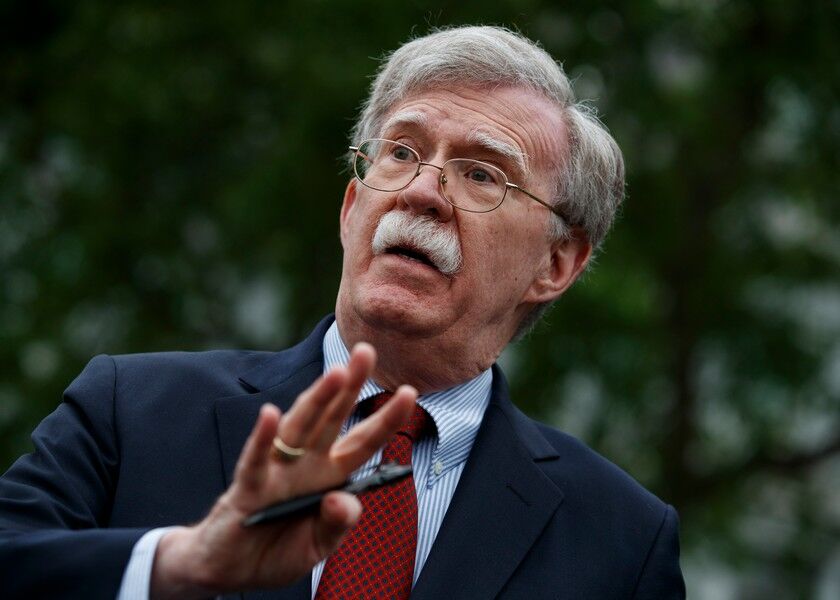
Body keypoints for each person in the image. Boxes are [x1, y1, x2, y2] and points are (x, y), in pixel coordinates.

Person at [0, 25, 686, 599]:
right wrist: (183, 564)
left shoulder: (623, 540)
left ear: (555, 263)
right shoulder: (130, 410)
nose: (422, 192)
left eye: (481, 173)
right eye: (401, 152)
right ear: (353, 207)